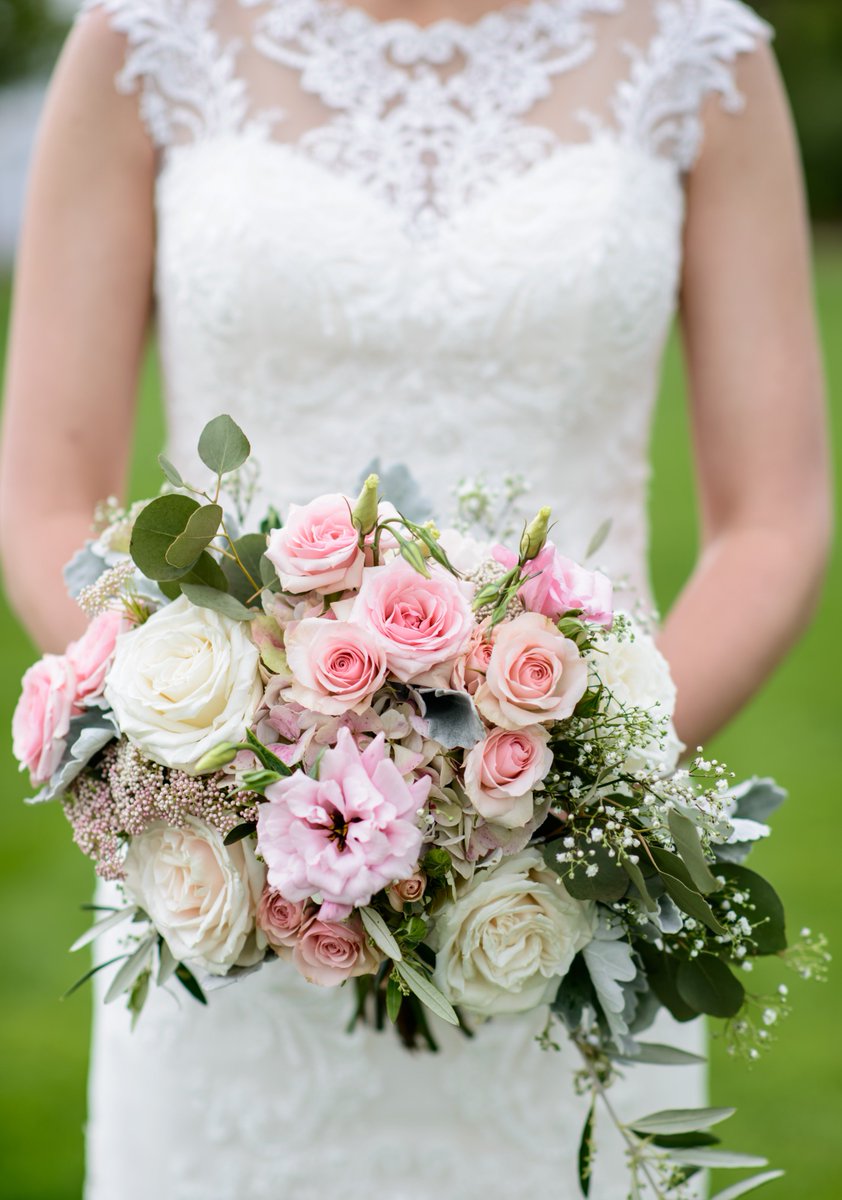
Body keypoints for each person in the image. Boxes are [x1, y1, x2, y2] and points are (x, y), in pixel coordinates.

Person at [0, 0, 831, 1196]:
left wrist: (567, 788)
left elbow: (772, 517)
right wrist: (231, 771)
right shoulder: (145, 39)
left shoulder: (699, 54)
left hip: (558, 890)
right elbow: (47, 500)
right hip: (237, 892)